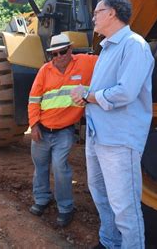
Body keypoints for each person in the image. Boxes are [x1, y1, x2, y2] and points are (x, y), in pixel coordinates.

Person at [71, 0, 154, 248]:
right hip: (98, 136)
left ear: (112, 13)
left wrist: (90, 95)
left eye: (98, 11)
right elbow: (105, 89)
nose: (94, 16)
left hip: (119, 139)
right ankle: (109, 242)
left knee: (124, 207)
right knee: (100, 194)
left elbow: (126, 92)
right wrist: (86, 93)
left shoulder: (134, 45)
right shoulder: (107, 47)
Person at [28, 33, 97, 227]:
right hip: (42, 129)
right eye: (54, 53)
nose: (59, 56)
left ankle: (65, 208)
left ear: (71, 49)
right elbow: (34, 100)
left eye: (63, 51)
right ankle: (42, 198)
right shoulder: (44, 71)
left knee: (60, 168)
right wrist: (34, 125)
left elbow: (109, 60)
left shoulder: (85, 63)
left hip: (64, 131)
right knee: (40, 167)